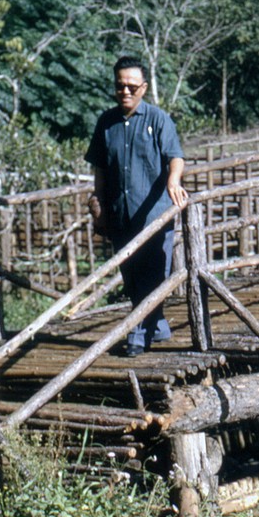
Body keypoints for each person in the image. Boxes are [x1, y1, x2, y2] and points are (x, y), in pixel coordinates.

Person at [86, 56, 188, 356]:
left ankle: (138, 335)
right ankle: (157, 327)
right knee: (130, 278)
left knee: (154, 275)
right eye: (120, 87)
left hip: (154, 214)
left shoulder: (158, 119)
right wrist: (99, 204)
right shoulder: (106, 122)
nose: (125, 92)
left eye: (132, 87)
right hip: (120, 213)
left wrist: (173, 181)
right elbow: (101, 169)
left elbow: (175, 156)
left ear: (143, 87)